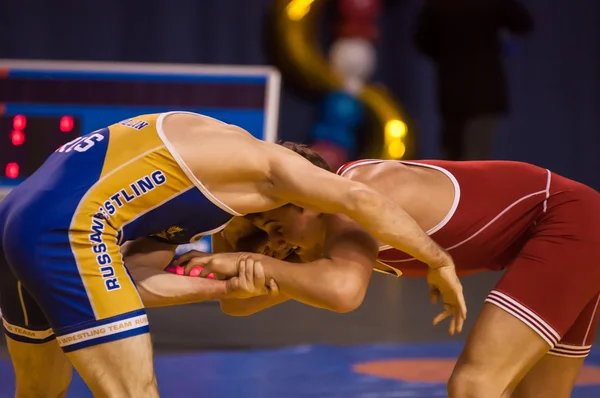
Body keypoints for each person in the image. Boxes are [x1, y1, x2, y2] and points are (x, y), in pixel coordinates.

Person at [0, 112, 464, 397]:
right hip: (70, 229)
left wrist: (220, 287)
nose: (275, 241)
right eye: (278, 232)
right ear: (311, 197)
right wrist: (438, 261)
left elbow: (131, 284)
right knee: (134, 392)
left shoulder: (197, 181)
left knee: (40, 392)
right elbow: (362, 201)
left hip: (14, 218)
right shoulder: (274, 167)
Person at [179, 142, 600, 398]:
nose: (279, 244)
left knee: (475, 385)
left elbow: (344, 292)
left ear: (304, 198)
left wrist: (245, 261)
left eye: (275, 227)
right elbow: (238, 307)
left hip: (569, 222)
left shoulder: (354, 202)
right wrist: (228, 226)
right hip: (578, 225)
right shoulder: (313, 229)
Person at [414, 0, 533, 160]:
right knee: (477, 157)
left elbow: (422, 41)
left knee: (453, 159)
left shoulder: (437, 4)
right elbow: (523, 23)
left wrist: (447, 57)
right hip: (485, 88)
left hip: (452, 88)